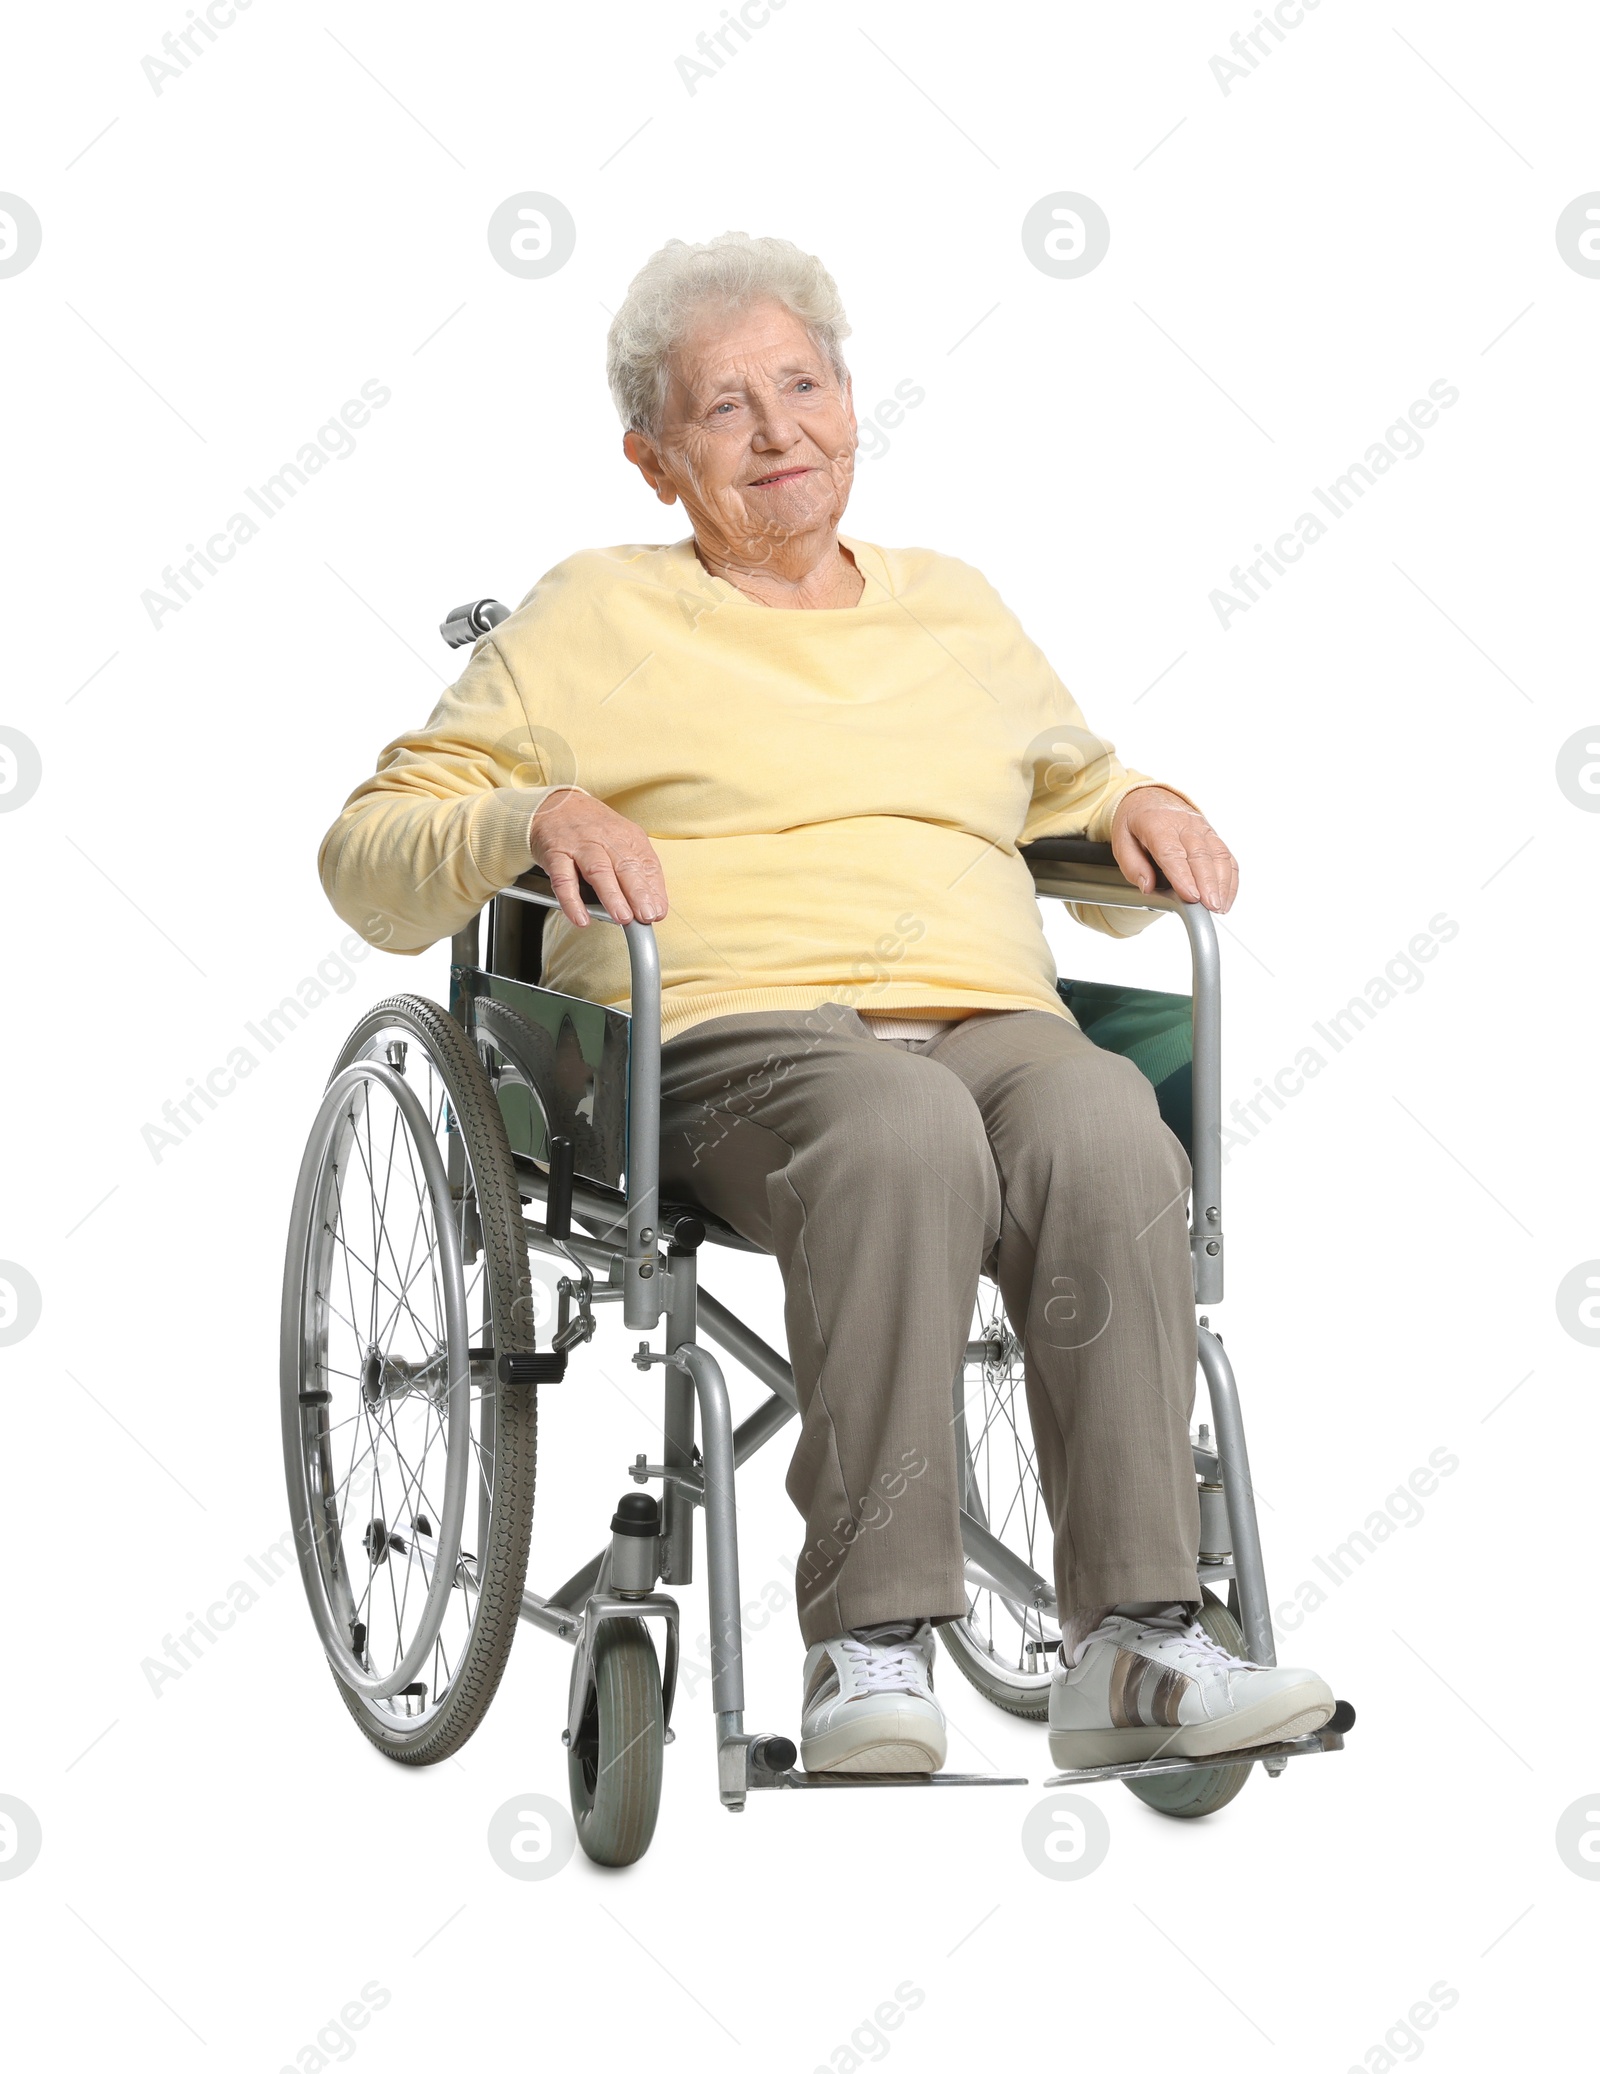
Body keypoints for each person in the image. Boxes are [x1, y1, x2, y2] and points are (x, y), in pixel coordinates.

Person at [318, 231, 1333, 1776]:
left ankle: (1136, 1640)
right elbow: (373, 846)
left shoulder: (954, 605)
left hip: (990, 1012)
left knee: (1108, 1119)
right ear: (656, 461)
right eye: (725, 408)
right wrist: (533, 822)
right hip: (722, 1039)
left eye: (803, 383)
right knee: (902, 1124)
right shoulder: (595, 611)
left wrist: (1147, 805)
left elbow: (1073, 779)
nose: (780, 428)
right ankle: (872, 1641)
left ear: (853, 405)